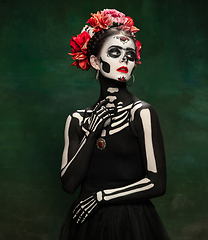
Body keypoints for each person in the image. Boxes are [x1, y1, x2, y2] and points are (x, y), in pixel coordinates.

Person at [60, 9, 170, 240]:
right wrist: (91, 134)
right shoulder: (77, 120)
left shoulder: (141, 113)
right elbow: (69, 184)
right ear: (95, 61)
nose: (124, 60)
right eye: (115, 52)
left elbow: (157, 183)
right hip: (86, 223)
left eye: (130, 56)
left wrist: (102, 197)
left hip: (132, 222)